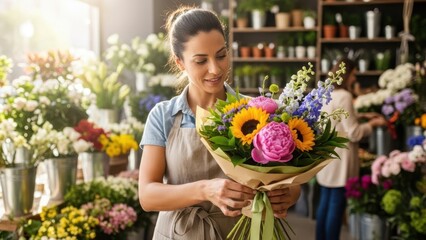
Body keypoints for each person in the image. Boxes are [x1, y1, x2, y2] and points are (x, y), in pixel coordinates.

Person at [138, 6, 301, 239]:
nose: (215, 69)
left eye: (221, 55)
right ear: (180, 62)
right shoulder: (163, 115)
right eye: (201, 61)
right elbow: (147, 195)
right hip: (181, 233)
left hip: (243, 233)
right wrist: (206, 189)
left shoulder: (257, 112)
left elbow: (287, 179)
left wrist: (289, 194)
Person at [315, 58, 387, 240]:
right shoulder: (345, 96)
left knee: (324, 204)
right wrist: (372, 123)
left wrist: (361, 114)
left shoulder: (326, 92)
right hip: (341, 159)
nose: (355, 78)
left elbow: (338, 118)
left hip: (325, 154)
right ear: (347, 74)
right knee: (336, 208)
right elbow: (354, 133)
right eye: (354, 73)